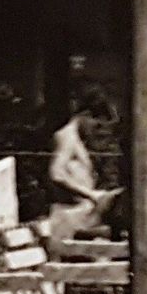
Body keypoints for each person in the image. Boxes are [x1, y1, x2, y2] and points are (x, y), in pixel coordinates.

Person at [48, 95, 117, 242]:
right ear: (85, 115)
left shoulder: (78, 139)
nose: (95, 131)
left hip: (81, 212)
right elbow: (57, 173)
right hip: (68, 213)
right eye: (96, 125)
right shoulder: (67, 137)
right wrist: (91, 195)